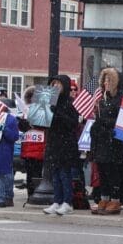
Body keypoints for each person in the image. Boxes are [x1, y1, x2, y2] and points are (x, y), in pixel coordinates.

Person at [42, 75, 81, 216]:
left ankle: (67, 202)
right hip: (53, 141)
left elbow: (73, 123)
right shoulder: (49, 102)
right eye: (53, 84)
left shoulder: (69, 103)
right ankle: (57, 201)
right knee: (55, 174)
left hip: (66, 143)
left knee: (65, 174)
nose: (55, 87)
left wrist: (56, 114)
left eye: (58, 84)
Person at [91, 68, 123, 215]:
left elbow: (121, 121)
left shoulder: (121, 100)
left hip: (114, 141)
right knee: (103, 171)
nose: (106, 83)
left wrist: (104, 122)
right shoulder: (102, 100)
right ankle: (104, 197)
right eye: (104, 80)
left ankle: (116, 199)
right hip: (101, 141)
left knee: (113, 172)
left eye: (109, 80)